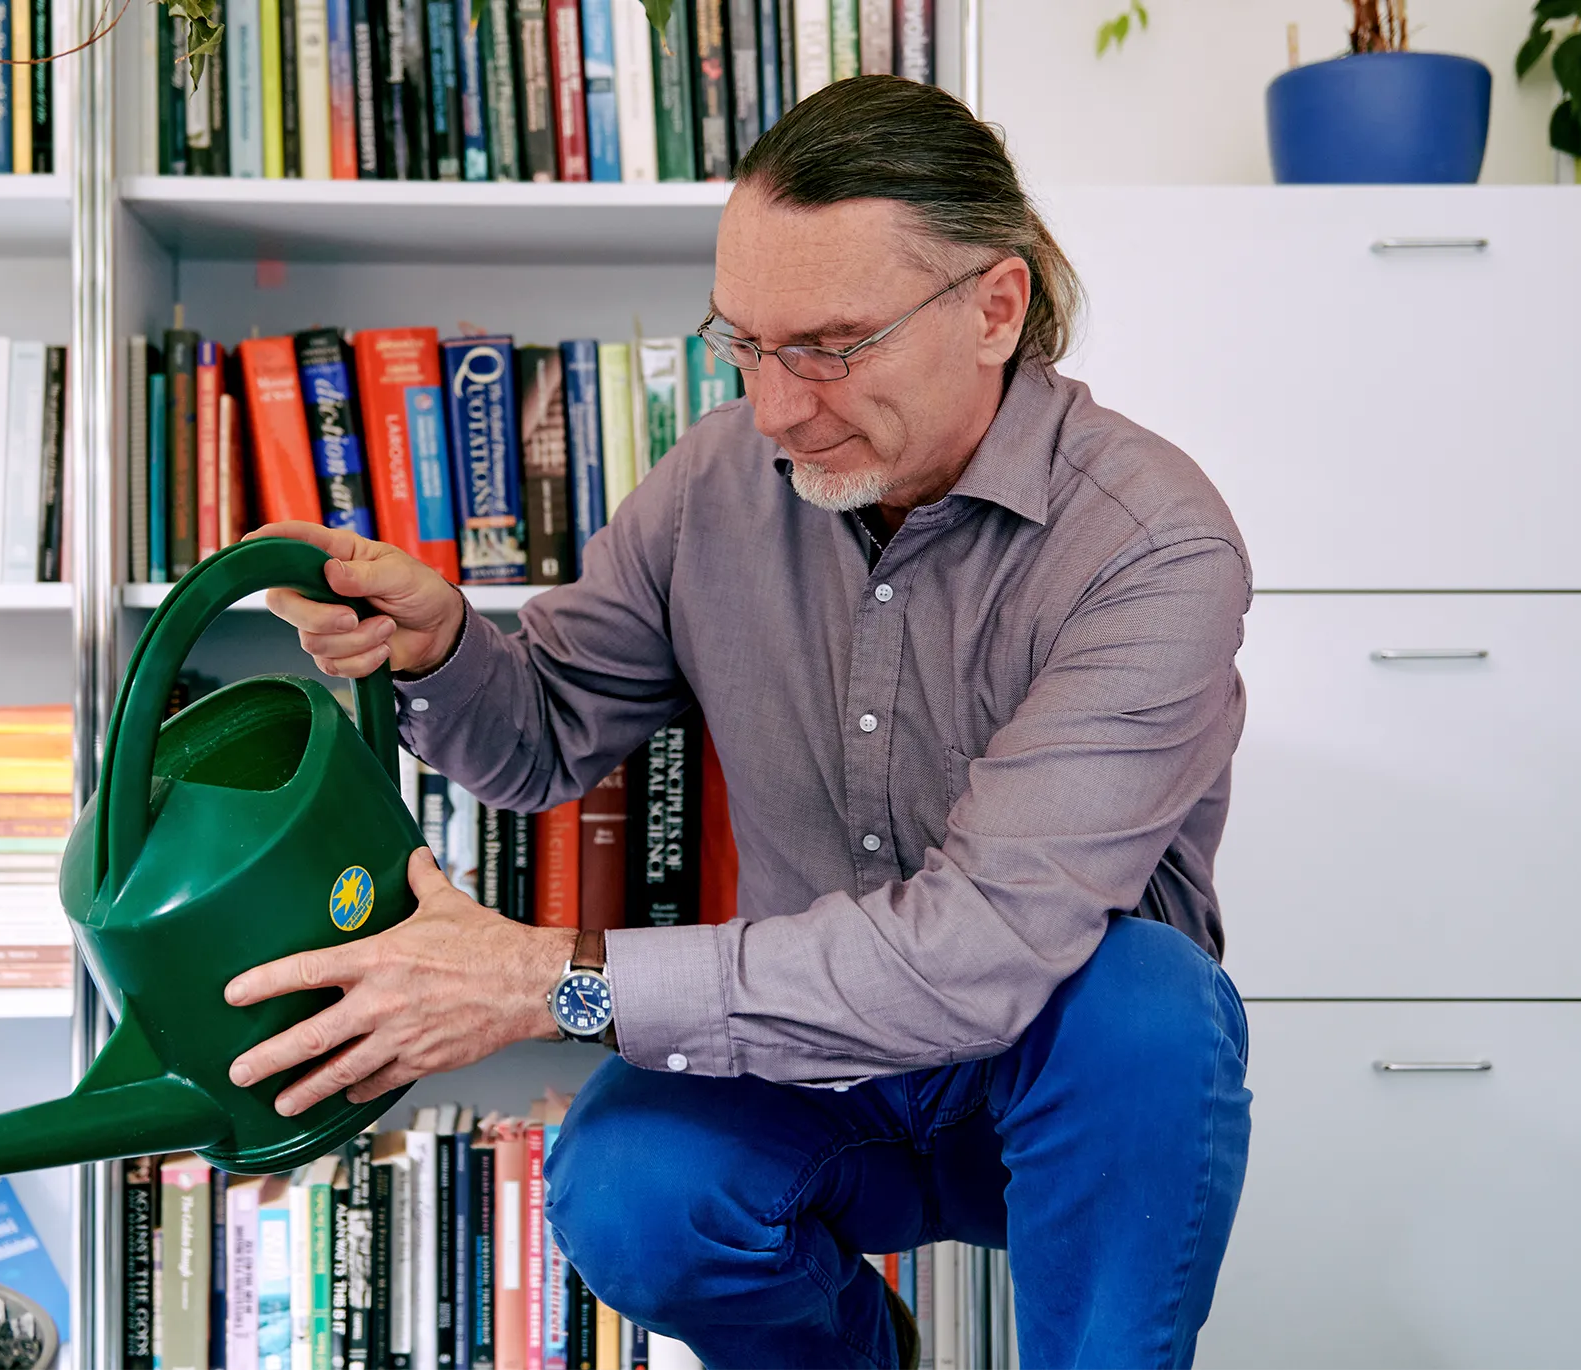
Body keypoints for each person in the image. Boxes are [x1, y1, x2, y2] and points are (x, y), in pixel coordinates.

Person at [221, 75, 1252, 1370]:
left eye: (829, 345)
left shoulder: (1152, 543)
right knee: (625, 1184)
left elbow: (975, 953)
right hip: (815, 1075)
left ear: (997, 307)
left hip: (1060, 1092)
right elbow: (537, 736)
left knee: (1150, 1002)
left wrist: (548, 977)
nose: (776, 407)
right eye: (746, 343)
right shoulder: (718, 481)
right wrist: (442, 648)